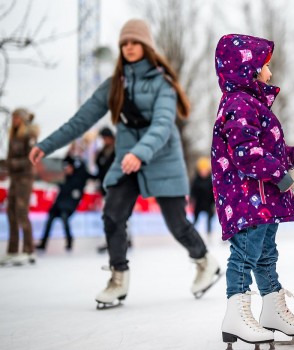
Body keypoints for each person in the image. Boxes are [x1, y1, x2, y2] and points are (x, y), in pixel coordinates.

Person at [28, 19, 221, 307]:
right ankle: (118, 276)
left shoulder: (162, 85)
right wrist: (46, 145)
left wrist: (140, 153)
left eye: (135, 42)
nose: (129, 48)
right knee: (113, 214)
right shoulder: (114, 85)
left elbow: (162, 125)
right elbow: (80, 121)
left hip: (161, 158)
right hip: (127, 159)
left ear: (146, 46)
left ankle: (204, 262)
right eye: (125, 43)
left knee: (177, 224)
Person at [213, 34, 294, 348]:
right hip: (247, 198)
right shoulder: (238, 104)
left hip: (262, 200)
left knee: (266, 255)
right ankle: (236, 312)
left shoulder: (250, 103)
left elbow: (270, 148)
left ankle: (272, 308)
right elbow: (247, 153)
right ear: (249, 69)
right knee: (243, 255)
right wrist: (281, 176)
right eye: (265, 66)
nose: (270, 72)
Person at [35, 143, 92, 251]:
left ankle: (69, 240)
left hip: (69, 202)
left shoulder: (80, 171)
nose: (67, 169)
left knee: (64, 217)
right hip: (60, 200)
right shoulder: (65, 172)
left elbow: (89, 176)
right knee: (50, 217)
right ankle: (43, 243)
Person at [0, 108, 39, 267]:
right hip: (15, 178)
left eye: (16, 118)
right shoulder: (13, 135)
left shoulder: (29, 136)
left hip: (25, 179)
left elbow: (31, 159)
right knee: (11, 212)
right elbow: (10, 159)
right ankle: (13, 249)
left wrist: (12, 164)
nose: (14, 120)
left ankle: (29, 250)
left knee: (22, 212)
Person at [93, 127, 132, 253]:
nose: (104, 140)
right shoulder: (102, 152)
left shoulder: (118, 150)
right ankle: (112, 240)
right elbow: (100, 169)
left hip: (118, 186)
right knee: (109, 215)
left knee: (120, 214)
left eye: (105, 138)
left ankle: (124, 239)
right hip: (106, 187)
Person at [190, 157, 215, 236]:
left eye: (205, 170)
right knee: (195, 218)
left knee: (209, 219)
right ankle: (191, 233)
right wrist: (191, 200)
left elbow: (213, 192)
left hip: (208, 203)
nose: (203, 172)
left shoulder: (211, 180)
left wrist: (214, 203)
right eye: (201, 170)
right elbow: (192, 191)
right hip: (199, 203)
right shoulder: (196, 180)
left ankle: (209, 233)